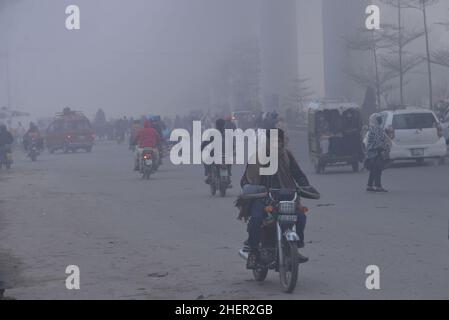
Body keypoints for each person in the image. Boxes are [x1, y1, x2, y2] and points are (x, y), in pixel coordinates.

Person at [239, 129, 318, 268]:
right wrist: (254, 189)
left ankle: (294, 248)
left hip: (286, 196)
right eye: (273, 141)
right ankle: (253, 251)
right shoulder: (258, 157)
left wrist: (305, 186)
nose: (277, 144)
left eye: (279, 141)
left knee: (300, 217)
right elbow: (246, 180)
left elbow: (298, 174)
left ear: (283, 141)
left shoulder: (287, 156)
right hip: (262, 198)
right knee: (256, 220)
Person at [201, 119, 233, 185]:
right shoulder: (227, 133)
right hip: (226, 154)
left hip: (215, 154)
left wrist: (202, 148)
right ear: (224, 124)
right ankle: (229, 174)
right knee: (229, 161)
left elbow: (206, 142)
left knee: (206, 160)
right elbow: (232, 144)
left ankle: (209, 174)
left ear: (216, 125)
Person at [365, 116, 391, 192]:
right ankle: (378, 186)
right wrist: (385, 148)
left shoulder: (372, 128)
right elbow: (379, 140)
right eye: (379, 119)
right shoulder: (377, 129)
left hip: (371, 152)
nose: (380, 120)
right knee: (378, 169)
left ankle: (369, 185)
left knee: (373, 169)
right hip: (376, 151)